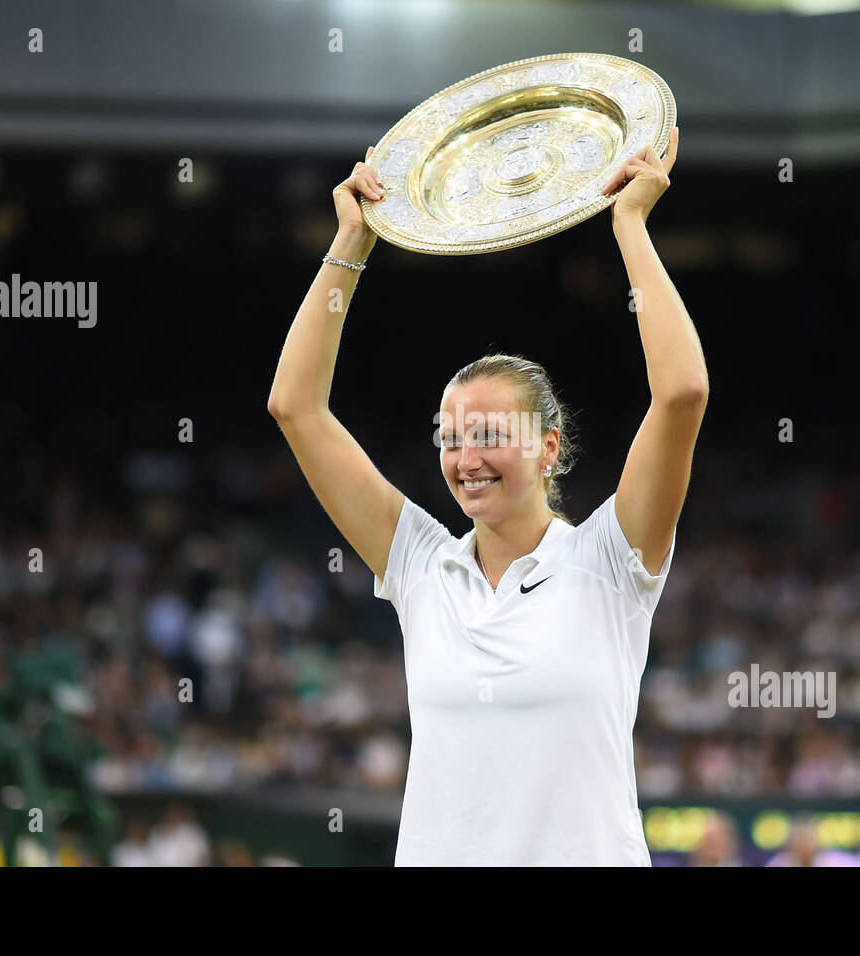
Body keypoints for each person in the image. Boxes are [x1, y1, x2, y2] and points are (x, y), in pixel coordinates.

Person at [267, 129, 708, 865]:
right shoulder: (419, 565)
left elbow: (683, 394)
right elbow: (295, 408)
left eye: (489, 434)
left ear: (549, 446)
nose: (465, 459)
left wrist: (629, 226)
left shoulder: (611, 560)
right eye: (449, 436)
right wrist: (350, 241)